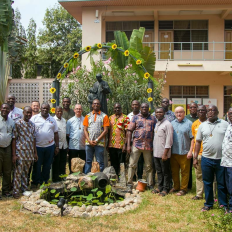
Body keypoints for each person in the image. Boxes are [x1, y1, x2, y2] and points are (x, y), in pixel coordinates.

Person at [195, 105, 228, 212]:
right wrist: (195, 157)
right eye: (208, 110)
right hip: (206, 158)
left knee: (221, 183)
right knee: (207, 182)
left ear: (217, 112)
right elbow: (198, 142)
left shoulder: (224, 124)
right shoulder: (202, 125)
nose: (210, 112)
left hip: (221, 159)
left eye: (213, 110)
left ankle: (223, 204)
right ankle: (208, 204)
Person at [127, 103, 156, 189]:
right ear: (140, 108)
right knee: (132, 164)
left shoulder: (153, 118)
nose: (144, 108)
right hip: (136, 145)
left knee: (149, 166)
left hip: (148, 146)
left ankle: (150, 184)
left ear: (148, 109)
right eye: (143, 107)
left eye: (146, 107)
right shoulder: (135, 117)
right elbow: (129, 131)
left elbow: (156, 131)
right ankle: (129, 183)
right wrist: (128, 145)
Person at [30, 103, 59, 187]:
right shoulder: (34, 118)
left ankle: (44, 181)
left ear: (49, 109)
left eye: (47, 109)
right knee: (37, 165)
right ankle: (35, 182)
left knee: (47, 165)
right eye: (43, 108)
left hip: (49, 146)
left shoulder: (52, 120)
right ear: (40, 109)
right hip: (38, 147)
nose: (45, 110)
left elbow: (56, 133)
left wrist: (57, 146)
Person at [12, 106, 38, 198]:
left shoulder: (32, 124)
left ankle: (24, 188)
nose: (28, 114)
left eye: (30, 113)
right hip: (20, 152)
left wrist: (35, 153)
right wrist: (14, 154)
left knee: (26, 173)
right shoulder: (18, 124)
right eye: (27, 112)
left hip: (29, 153)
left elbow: (34, 139)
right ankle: (15, 190)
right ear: (23, 112)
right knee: (18, 172)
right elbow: (14, 139)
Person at [170, 106, 194, 196]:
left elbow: (192, 139)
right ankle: (176, 187)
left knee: (185, 172)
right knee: (174, 171)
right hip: (174, 152)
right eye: (177, 112)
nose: (179, 114)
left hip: (185, 152)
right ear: (175, 114)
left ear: (184, 113)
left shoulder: (189, 123)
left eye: (180, 112)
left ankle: (184, 189)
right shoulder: (172, 123)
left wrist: (190, 151)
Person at [83, 99, 109, 173]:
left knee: (100, 162)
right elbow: (85, 129)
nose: (96, 105)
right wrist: (89, 140)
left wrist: (97, 140)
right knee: (88, 161)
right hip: (89, 143)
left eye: (98, 104)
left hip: (99, 143)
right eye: (94, 103)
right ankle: (86, 178)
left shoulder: (104, 116)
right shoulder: (87, 116)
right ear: (92, 105)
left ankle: (100, 179)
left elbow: (106, 130)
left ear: (100, 105)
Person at [152, 107, 173, 196]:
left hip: (164, 154)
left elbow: (169, 140)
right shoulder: (157, 124)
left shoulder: (167, 124)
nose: (158, 114)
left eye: (160, 112)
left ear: (164, 113)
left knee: (166, 172)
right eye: (157, 112)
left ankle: (166, 188)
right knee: (159, 171)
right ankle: (160, 187)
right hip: (156, 153)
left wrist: (165, 154)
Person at [108, 103, 130, 176]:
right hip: (112, 145)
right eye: (115, 108)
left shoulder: (125, 118)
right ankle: (115, 177)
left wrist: (125, 144)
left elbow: (127, 132)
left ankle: (122, 178)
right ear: (113, 109)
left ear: (121, 108)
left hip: (121, 145)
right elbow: (108, 131)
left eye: (118, 108)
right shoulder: (110, 118)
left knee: (122, 163)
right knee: (113, 162)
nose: (117, 109)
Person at [192, 105, 207, 200]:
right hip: (198, 153)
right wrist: (194, 156)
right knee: (198, 175)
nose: (200, 112)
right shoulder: (194, 124)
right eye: (199, 110)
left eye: (202, 110)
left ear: (206, 112)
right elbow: (194, 140)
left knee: (211, 176)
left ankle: (212, 195)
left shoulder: (210, 123)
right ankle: (199, 194)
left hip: (209, 154)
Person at [0, 103, 15, 198]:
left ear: (9, 111)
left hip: (8, 148)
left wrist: (13, 154)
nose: (5, 110)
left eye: (7, 108)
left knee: (7, 170)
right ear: (0, 109)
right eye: (3, 108)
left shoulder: (11, 122)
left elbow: (13, 138)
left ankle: (5, 190)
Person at [127, 100, 144, 180]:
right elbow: (127, 130)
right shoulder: (128, 116)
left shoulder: (143, 115)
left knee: (140, 160)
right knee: (132, 160)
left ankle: (140, 176)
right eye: (133, 105)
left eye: (136, 105)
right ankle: (133, 177)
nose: (135, 106)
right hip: (131, 141)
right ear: (131, 106)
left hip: (140, 142)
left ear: (139, 106)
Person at [66, 104, 86, 173]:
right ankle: (72, 177)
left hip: (83, 146)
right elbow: (67, 134)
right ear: (74, 110)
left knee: (83, 163)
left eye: (80, 109)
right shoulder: (70, 121)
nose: (78, 110)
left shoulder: (85, 120)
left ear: (82, 110)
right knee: (72, 163)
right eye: (77, 109)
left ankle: (83, 177)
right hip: (73, 146)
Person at [221, 107, 232, 213]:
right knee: (226, 184)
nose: (231, 115)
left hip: (231, 162)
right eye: (229, 114)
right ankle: (226, 205)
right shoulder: (228, 125)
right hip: (225, 161)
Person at [52, 106, 68, 182]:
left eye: (61, 111)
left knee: (63, 162)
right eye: (58, 111)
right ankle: (55, 179)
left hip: (64, 145)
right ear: (55, 112)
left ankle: (62, 176)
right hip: (56, 146)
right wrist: (56, 146)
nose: (59, 113)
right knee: (56, 163)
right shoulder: (53, 120)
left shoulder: (64, 120)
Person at [186, 102, 198, 190]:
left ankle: (200, 187)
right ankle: (188, 185)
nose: (193, 109)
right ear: (189, 109)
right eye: (191, 107)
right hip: (189, 146)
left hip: (200, 146)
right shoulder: (186, 118)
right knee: (188, 168)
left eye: (194, 107)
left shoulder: (201, 118)